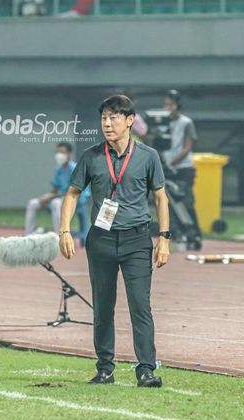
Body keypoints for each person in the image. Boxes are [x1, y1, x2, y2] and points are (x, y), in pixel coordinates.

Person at [59, 94, 170, 388]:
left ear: (130, 121)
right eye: (103, 119)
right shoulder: (92, 156)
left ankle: (146, 369)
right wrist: (65, 231)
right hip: (102, 241)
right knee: (103, 306)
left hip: (137, 240)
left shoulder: (148, 156)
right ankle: (105, 369)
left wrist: (165, 239)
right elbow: (71, 193)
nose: (107, 124)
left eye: (113, 118)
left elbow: (160, 197)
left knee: (139, 306)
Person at [161, 89, 202, 248]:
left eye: (171, 104)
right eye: (165, 105)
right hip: (166, 167)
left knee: (186, 202)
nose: (168, 108)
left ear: (177, 105)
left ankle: (194, 234)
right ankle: (177, 234)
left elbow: (187, 147)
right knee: (168, 204)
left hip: (183, 168)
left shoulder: (186, 122)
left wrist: (173, 162)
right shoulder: (161, 123)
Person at [25, 142, 79, 235]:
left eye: (62, 152)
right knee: (32, 203)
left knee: (55, 203)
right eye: (58, 152)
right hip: (58, 198)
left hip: (72, 199)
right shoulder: (59, 169)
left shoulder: (75, 168)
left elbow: (74, 191)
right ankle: (28, 235)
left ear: (69, 154)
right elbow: (55, 189)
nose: (59, 155)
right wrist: (45, 197)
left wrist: (50, 197)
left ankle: (59, 235)